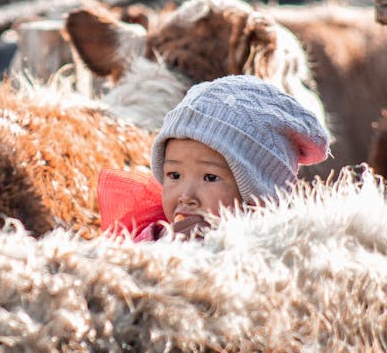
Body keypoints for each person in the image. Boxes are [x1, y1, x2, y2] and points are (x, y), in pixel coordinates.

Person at [98, 74, 330, 241]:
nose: (186, 196)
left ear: (261, 194)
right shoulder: (151, 239)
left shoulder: (278, 253)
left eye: (210, 177)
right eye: (174, 175)